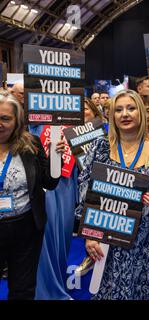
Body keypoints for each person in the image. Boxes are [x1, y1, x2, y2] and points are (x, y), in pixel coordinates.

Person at [76, 89, 149, 300]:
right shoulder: (100, 147)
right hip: (108, 245)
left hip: (148, 246)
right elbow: (85, 193)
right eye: (119, 109)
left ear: (141, 113)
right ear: (111, 116)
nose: (125, 114)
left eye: (131, 108)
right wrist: (90, 236)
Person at [0, 93, 64, 299]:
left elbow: (50, 183)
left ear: (17, 121)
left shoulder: (32, 144)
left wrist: (56, 158)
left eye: (5, 118)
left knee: (23, 288)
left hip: (26, 227)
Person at [74, 98, 107, 278]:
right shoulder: (69, 133)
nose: (81, 112)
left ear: (95, 112)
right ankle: (90, 257)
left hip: (102, 182)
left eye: (85, 108)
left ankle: (99, 258)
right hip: (78, 183)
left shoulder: (106, 131)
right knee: (85, 222)